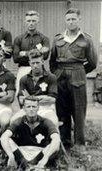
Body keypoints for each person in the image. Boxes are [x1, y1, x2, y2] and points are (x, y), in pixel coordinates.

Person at [50, 8, 97, 148]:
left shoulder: (86, 39)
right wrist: (58, 74)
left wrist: (80, 71)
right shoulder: (58, 38)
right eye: (68, 19)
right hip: (60, 76)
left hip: (78, 75)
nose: (71, 22)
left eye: (73, 19)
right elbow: (52, 62)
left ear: (79, 20)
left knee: (79, 111)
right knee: (62, 110)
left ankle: (79, 144)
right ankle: (65, 142)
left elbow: (93, 62)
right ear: (65, 21)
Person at [0, 96, 61, 170]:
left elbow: (56, 139)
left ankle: (28, 165)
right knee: (7, 140)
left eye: (34, 106)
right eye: (28, 107)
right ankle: (29, 166)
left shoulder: (46, 122)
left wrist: (45, 157)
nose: (31, 109)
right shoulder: (19, 121)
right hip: (22, 152)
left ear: (38, 108)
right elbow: (4, 137)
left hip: (39, 152)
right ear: (24, 108)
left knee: (56, 145)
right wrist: (11, 155)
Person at [11, 49, 58, 125]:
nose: (35, 66)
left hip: (46, 109)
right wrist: (43, 97)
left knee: (54, 122)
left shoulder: (51, 77)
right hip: (28, 109)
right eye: (33, 63)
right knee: (13, 120)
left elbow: (52, 99)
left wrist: (30, 97)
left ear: (42, 62)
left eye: (37, 63)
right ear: (29, 63)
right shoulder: (24, 79)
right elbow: (21, 100)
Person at [13, 11, 49, 99]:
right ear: (25, 22)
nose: (31, 23)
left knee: (40, 95)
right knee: (22, 96)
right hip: (23, 69)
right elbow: (16, 58)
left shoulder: (44, 38)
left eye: (33, 21)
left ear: (38, 21)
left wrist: (25, 53)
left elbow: (45, 55)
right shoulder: (19, 39)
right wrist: (37, 52)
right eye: (29, 21)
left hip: (39, 70)